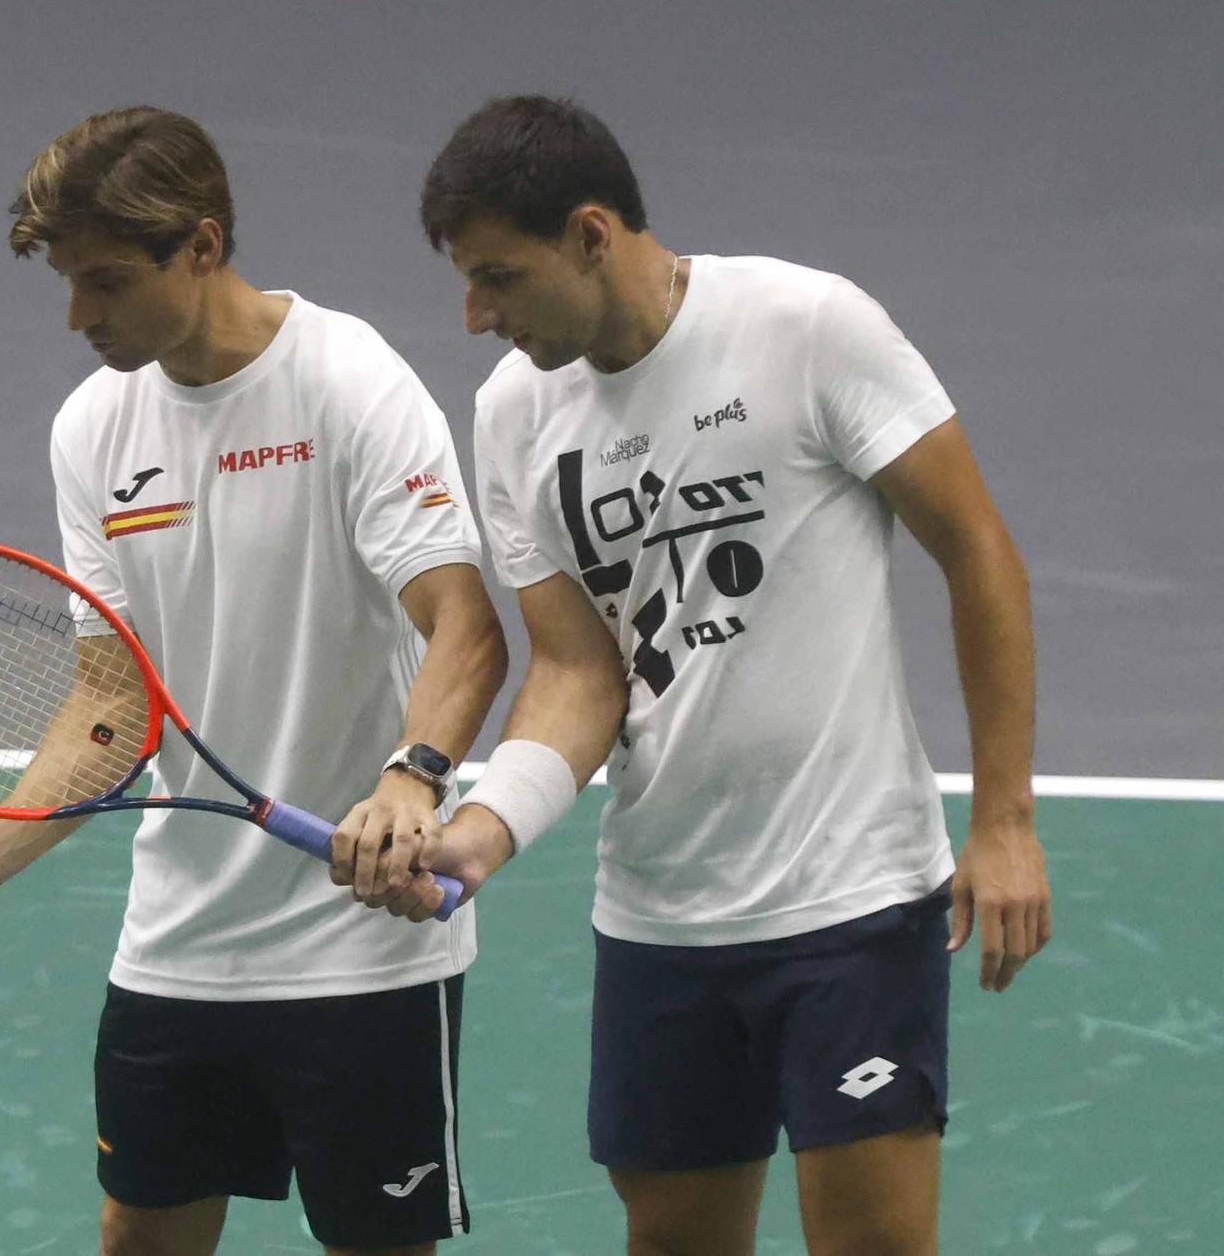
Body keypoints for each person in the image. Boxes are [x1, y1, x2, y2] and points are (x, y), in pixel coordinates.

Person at [366, 95, 1052, 1255]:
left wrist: (1002, 819)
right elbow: (579, 672)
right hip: (658, 919)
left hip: (848, 900)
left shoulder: (805, 325)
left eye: (498, 276)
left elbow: (975, 549)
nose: (475, 314)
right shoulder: (514, 414)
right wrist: (482, 831)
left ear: (590, 232)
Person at [0, 105, 507, 1256]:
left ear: (200, 247)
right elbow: (114, 701)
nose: (75, 316)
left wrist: (411, 781)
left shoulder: (346, 381)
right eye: (63, 282)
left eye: (103, 281)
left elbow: (462, 623)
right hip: (180, 939)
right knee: (138, 1232)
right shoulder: (93, 429)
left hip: (361, 933)